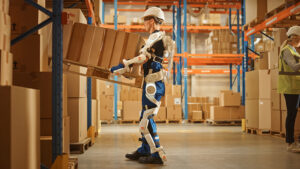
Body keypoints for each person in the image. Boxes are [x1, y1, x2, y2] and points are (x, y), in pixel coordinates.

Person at [110, 7, 175, 164]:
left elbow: (143, 58)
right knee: (144, 116)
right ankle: (145, 149)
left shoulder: (156, 38)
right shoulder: (156, 38)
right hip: (151, 82)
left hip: (153, 83)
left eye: (145, 20)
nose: (143, 24)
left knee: (146, 119)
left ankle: (157, 154)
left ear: (151, 21)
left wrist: (126, 64)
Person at [278, 25, 300, 153]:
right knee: (291, 115)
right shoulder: (287, 50)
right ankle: (290, 143)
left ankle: (296, 141)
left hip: (296, 88)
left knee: (293, 114)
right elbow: (294, 67)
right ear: (295, 38)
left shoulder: (294, 51)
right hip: (290, 88)